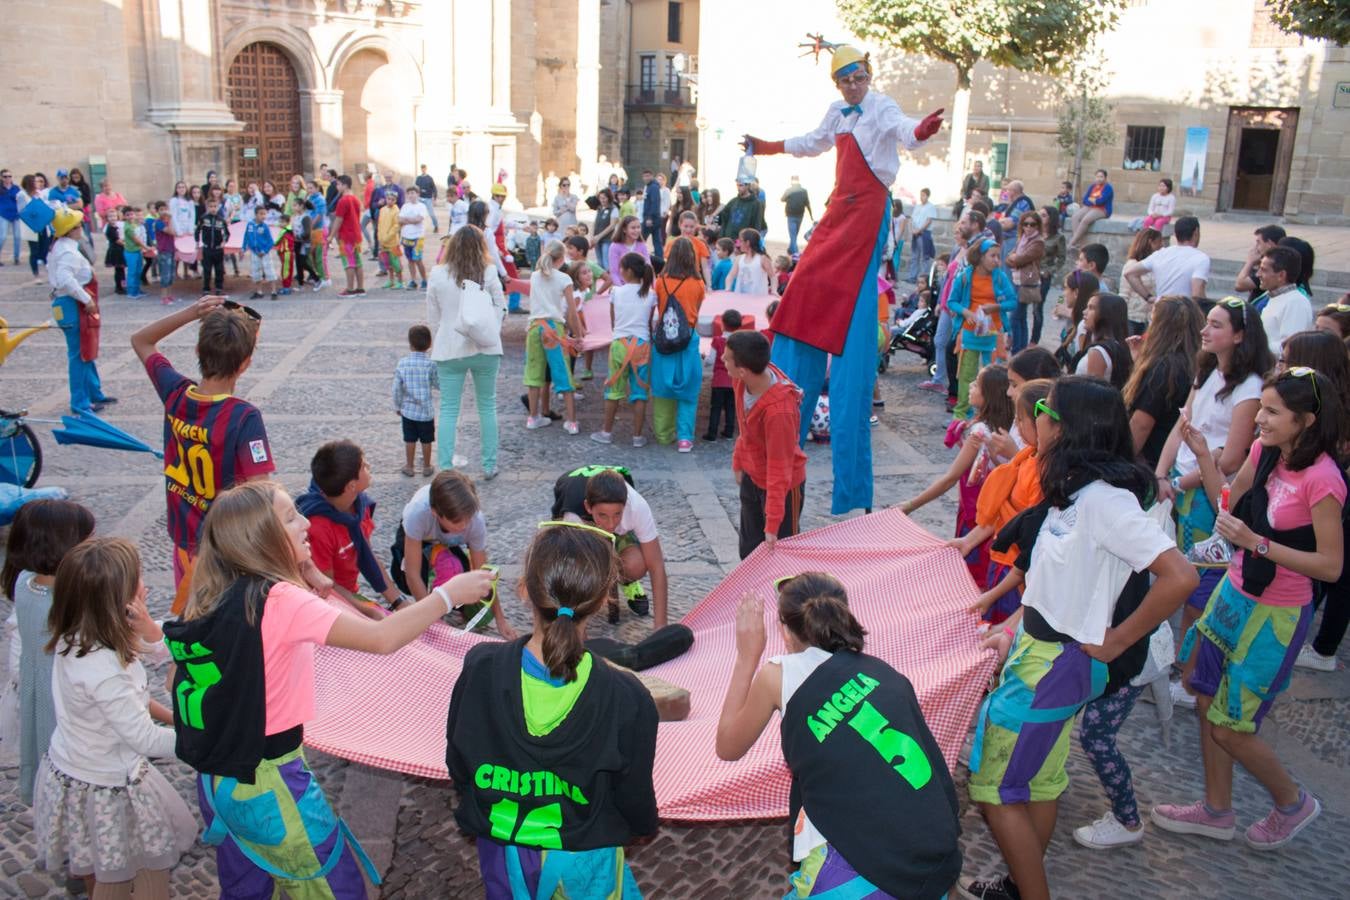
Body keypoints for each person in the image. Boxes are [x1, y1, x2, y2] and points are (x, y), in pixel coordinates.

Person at [163, 482, 496, 896]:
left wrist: (306, 573)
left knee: (247, 885)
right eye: (290, 517)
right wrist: (448, 594)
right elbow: (382, 639)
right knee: (335, 888)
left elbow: (172, 680)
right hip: (270, 783)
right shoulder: (281, 599)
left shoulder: (211, 594)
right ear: (263, 539)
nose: (305, 521)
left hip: (217, 778)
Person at [963, 377, 1196, 900]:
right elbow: (1053, 584)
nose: (1034, 417)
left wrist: (1116, 641)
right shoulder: (1072, 492)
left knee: (994, 788)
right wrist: (1012, 630)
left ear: (1066, 426)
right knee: (1041, 780)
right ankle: (1020, 885)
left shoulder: (1105, 503)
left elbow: (1181, 577)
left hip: (1055, 666)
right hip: (1042, 655)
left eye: (1043, 408)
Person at [742, 42, 942, 515]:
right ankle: (796, 377)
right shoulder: (838, 111)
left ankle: (851, 501)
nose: (854, 84)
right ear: (837, 83)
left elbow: (903, 132)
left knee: (852, 296)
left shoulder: (882, 106)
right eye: (845, 79)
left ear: (868, 74)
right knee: (805, 283)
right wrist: (766, 147)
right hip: (839, 206)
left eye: (859, 76)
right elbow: (812, 142)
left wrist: (921, 129)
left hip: (869, 207)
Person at [1154, 369, 1343, 850]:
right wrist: (1201, 455)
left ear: (1306, 420)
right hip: (1234, 595)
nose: (1259, 418)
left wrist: (1258, 545)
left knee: (1231, 726)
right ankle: (1217, 811)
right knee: (1202, 694)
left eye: (1273, 411)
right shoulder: (1263, 452)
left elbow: (1331, 566)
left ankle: (1292, 802)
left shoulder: (1323, 479)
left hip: (1276, 618)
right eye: (1261, 406)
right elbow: (1228, 506)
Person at [716, 571, 962, 897]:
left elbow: (728, 746)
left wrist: (747, 656)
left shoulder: (779, 675)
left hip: (854, 868)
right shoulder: (881, 670)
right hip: (931, 853)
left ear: (785, 632)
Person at [445, 522, 657, 898]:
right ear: (602, 599)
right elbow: (635, 799)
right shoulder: (627, 698)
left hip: (504, 856)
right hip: (583, 861)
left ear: (524, 590)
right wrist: (639, 825)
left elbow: (459, 764)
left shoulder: (479, 668)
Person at [34, 538, 197, 899]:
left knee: (110, 865)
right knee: (121, 873)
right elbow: (146, 739)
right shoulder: (103, 667)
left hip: (79, 769)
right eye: (138, 579)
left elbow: (152, 646)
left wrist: (161, 635)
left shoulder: (82, 634)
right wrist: (206, 741)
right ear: (119, 601)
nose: (145, 584)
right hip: (106, 784)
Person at [130, 296, 294, 614]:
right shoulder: (243, 417)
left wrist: (193, 311)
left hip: (184, 543)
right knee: (218, 627)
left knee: (191, 621)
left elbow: (141, 340)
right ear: (245, 363)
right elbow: (262, 493)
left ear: (197, 352)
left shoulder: (175, 393)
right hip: (226, 550)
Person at [1154, 299, 1273, 707]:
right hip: (1181, 485)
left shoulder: (1250, 388)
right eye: (1207, 323)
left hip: (1208, 494)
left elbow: (1232, 457)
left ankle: (1189, 676)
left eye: (1216, 325)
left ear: (1239, 335)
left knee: (1198, 584)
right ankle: (1181, 666)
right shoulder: (1206, 371)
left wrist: (1182, 479)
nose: (1205, 331)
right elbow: (1182, 425)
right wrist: (1161, 472)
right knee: (1181, 573)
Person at [0, 500, 96, 806]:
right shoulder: (68, 604)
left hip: (39, 695)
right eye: (89, 540)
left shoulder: (27, 583)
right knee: (73, 770)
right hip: (66, 704)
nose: (96, 544)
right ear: (65, 548)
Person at [902, 365, 1016, 588]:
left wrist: (910, 505)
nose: (971, 386)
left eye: (976, 384)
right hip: (992, 513)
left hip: (974, 513)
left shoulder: (980, 432)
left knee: (970, 577)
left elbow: (950, 477)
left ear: (988, 395)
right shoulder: (1005, 430)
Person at [428, 225, 507, 479]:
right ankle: (489, 465)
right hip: (486, 346)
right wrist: (488, 329)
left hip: (450, 346)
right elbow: (501, 306)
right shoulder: (489, 271)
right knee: (487, 406)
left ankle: (445, 466)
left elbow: (433, 316)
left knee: (449, 408)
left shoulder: (438, 274)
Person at [397, 471, 515, 637]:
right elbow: (412, 573)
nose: (465, 526)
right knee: (407, 578)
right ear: (436, 513)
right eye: (458, 522)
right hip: (419, 539)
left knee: (480, 609)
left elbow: (484, 572)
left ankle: (450, 567)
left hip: (446, 543)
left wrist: (500, 619)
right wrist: (429, 617)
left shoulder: (475, 520)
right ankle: (435, 591)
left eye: (467, 519)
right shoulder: (418, 514)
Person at [551, 466, 671, 626]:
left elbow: (656, 565)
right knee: (588, 573)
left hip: (606, 518)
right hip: (582, 520)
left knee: (636, 564)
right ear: (588, 507)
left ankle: (626, 580)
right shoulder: (573, 518)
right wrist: (578, 634)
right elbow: (572, 576)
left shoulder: (637, 506)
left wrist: (660, 628)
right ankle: (605, 579)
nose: (610, 524)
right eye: (603, 515)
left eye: (617, 514)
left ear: (625, 505)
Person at [724, 329, 808, 558]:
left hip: (783, 486)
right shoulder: (741, 382)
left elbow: (780, 470)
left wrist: (772, 523)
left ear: (742, 370)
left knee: (781, 556)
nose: (722, 360)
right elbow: (745, 427)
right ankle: (752, 595)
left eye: (727, 357)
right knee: (750, 552)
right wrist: (739, 461)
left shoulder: (779, 412)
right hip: (753, 477)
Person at [295, 440, 405, 611]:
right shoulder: (317, 528)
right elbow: (327, 588)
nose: (369, 465)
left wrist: (399, 602)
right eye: (363, 466)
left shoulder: (359, 505)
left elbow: (366, 553)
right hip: (326, 604)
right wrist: (369, 611)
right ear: (351, 486)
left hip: (349, 595)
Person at [1123, 295, 1204, 470]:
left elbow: (1141, 424)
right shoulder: (1194, 363)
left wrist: (1120, 462)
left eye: (1152, 321)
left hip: (1149, 461)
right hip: (1172, 459)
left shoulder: (1164, 368)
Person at [48, 209, 114, 414]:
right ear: (69, 230)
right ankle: (80, 401)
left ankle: (94, 392)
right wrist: (86, 299)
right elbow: (65, 279)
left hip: (72, 303)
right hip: (73, 304)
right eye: (77, 225)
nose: (81, 227)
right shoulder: (67, 251)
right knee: (80, 355)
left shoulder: (64, 246)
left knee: (88, 350)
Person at [947, 238, 1018, 420]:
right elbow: (951, 301)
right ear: (980, 257)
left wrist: (995, 307)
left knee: (993, 376)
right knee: (966, 376)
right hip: (970, 332)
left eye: (998, 256)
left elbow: (1012, 301)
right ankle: (961, 414)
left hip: (993, 334)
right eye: (992, 256)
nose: (997, 261)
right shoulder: (964, 276)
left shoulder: (1000, 277)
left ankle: (991, 414)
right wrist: (966, 312)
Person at [591, 252, 655, 448]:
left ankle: (606, 432)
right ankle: (637, 436)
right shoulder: (651, 294)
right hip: (642, 345)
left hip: (620, 343)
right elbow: (649, 323)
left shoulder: (616, 292)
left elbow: (613, 320)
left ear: (627, 271)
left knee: (613, 390)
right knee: (640, 392)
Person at [651, 237, 707, 450]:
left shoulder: (660, 282)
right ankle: (685, 438)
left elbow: (659, 308)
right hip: (688, 339)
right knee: (689, 390)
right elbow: (696, 311)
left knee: (662, 388)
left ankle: (664, 434)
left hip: (664, 338)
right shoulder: (698, 284)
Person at [526, 240, 583, 433]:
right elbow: (572, 313)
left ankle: (533, 417)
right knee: (562, 372)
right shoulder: (564, 279)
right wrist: (579, 335)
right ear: (561, 258)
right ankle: (572, 421)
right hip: (554, 328)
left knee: (534, 374)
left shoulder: (534, 276)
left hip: (535, 327)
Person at [393, 324, 439, 477]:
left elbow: (396, 389)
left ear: (410, 344)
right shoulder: (431, 364)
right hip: (426, 412)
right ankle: (427, 466)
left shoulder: (403, 363)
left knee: (410, 439)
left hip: (408, 411)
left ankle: (410, 466)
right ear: (430, 344)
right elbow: (437, 383)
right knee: (427, 440)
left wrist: (398, 405)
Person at [1127, 215, 1209, 301]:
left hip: (1160, 309)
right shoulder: (1200, 258)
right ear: (1196, 232)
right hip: (1184, 310)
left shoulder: (1161, 254)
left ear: (1175, 234)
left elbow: (1129, 273)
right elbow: (1197, 293)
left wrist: (1148, 297)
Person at [1256, 245, 1313, 354]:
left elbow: (1290, 347)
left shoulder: (1296, 303)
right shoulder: (1274, 297)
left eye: (1263, 270)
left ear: (1281, 275)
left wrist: (1254, 345)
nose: (1258, 274)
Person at [1006, 210, 1046, 354]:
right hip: (1017, 281)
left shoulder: (1038, 242)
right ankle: (1020, 351)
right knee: (1020, 317)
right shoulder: (1021, 240)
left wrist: (1015, 258)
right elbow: (1009, 258)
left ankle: (1018, 350)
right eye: (1025, 224)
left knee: (1016, 318)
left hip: (1028, 282)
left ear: (1037, 226)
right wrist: (1015, 258)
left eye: (1032, 225)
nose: (1028, 228)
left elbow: (1021, 258)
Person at [1074, 293, 1133, 389]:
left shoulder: (1098, 352)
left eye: (1091, 308)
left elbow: (1091, 392)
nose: (1084, 312)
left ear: (1105, 315)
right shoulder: (1116, 345)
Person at [705, 308, 744, 441]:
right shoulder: (740, 342)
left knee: (715, 407)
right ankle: (728, 431)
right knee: (731, 407)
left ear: (722, 324)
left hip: (719, 380)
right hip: (734, 381)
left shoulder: (717, 341)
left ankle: (712, 433)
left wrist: (704, 360)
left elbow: (710, 360)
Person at [327, 174, 366, 296]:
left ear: (344, 185)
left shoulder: (343, 201)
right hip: (356, 235)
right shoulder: (354, 199)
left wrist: (331, 236)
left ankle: (350, 289)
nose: (337, 186)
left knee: (348, 263)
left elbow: (338, 220)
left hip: (346, 236)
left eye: (338, 184)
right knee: (358, 262)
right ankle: (360, 288)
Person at [1120, 228, 1164, 335]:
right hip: (1132, 317)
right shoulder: (1132, 265)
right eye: (1159, 242)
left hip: (1149, 318)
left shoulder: (1155, 265)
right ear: (1150, 242)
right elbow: (1124, 293)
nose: (1161, 246)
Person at [1234, 224, 1286, 300]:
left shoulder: (1271, 266)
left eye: (1259, 242)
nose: (1256, 247)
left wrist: (1250, 262)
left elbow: (1240, 285)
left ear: (1269, 244)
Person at [1068, 169, 1114, 250]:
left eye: (1101, 177)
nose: (1099, 178)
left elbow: (1101, 201)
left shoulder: (1108, 188)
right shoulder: (1092, 186)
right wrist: (1094, 201)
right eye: (1097, 176)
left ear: (1105, 178)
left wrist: (1092, 200)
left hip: (1103, 209)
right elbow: (1085, 200)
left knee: (1085, 220)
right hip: (1090, 207)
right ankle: (1078, 242)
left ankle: (1071, 242)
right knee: (1075, 216)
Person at [242, 203, 277, 301]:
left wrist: (265, 250)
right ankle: (259, 291)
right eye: (261, 214)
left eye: (265, 214)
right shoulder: (250, 225)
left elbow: (270, 241)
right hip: (254, 252)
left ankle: (273, 291)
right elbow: (246, 237)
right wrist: (243, 248)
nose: (263, 216)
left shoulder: (265, 226)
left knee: (269, 270)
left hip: (264, 252)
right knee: (256, 271)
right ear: (256, 214)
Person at [196, 196, 228, 294]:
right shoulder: (203, 219)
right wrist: (197, 242)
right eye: (211, 206)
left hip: (218, 249)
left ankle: (219, 288)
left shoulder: (221, 220)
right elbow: (197, 231)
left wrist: (224, 241)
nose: (213, 208)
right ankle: (206, 288)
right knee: (207, 270)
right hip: (207, 249)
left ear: (218, 207)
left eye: (215, 206)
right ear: (207, 207)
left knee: (219, 269)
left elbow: (227, 233)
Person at [400, 186, 429, 290]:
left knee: (418, 259)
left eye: (413, 193)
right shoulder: (405, 206)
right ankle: (413, 280)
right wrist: (412, 220)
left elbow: (419, 219)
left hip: (417, 237)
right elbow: (400, 220)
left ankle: (424, 279)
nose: (411, 195)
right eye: (409, 193)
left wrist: (407, 220)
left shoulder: (422, 206)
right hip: (406, 236)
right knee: (410, 260)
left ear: (418, 194)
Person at [730, 227, 774, 296]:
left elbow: (772, 276)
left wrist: (774, 290)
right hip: (740, 297)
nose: (739, 244)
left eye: (741, 241)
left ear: (747, 243)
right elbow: (731, 275)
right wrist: (727, 288)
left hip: (758, 299)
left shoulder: (762, 259)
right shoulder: (739, 258)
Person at [907, 187, 937, 283]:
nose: (921, 197)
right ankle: (912, 276)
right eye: (921, 195)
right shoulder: (917, 207)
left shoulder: (930, 207)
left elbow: (928, 220)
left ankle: (923, 279)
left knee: (925, 257)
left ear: (927, 196)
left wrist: (920, 230)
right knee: (914, 255)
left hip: (924, 233)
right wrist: (912, 230)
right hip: (915, 233)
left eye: (923, 195)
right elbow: (912, 219)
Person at [377, 189, 405, 289]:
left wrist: (387, 237)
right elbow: (380, 225)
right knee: (387, 263)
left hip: (393, 242)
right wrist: (380, 238)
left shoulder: (396, 211)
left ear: (395, 200)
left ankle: (400, 281)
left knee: (396, 263)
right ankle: (391, 280)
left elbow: (396, 226)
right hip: (383, 242)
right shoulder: (382, 210)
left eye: (392, 199)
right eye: (388, 199)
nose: (390, 201)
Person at [781, 175, 813, 257]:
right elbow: (807, 203)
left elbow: (782, 199)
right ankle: (791, 249)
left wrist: (788, 199)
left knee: (793, 235)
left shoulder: (789, 190)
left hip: (791, 215)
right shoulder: (804, 191)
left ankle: (796, 253)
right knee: (794, 235)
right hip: (800, 215)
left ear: (791, 181)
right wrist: (811, 215)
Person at [0, 169, 20, 266]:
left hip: (15, 214)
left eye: (9, 176)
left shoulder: (16, 188)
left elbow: (20, 200)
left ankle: (16, 257)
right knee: (2, 237)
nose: (8, 178)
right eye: (5, 176)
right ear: (1, 178)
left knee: (17, 237)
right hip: (3, 214)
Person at [415, 164, 440, 232]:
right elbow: (415, 188)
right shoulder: (418, 178)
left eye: (424, 168)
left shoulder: (429, 178)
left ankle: (436, 226)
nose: (423, 169)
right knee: (417, 213)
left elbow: (434, 188)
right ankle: (417, 227)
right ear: (421, 169)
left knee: (431, 213)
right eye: (422, 168)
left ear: (426, 169)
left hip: (428, 199)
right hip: (420, 198)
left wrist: (434, 197)